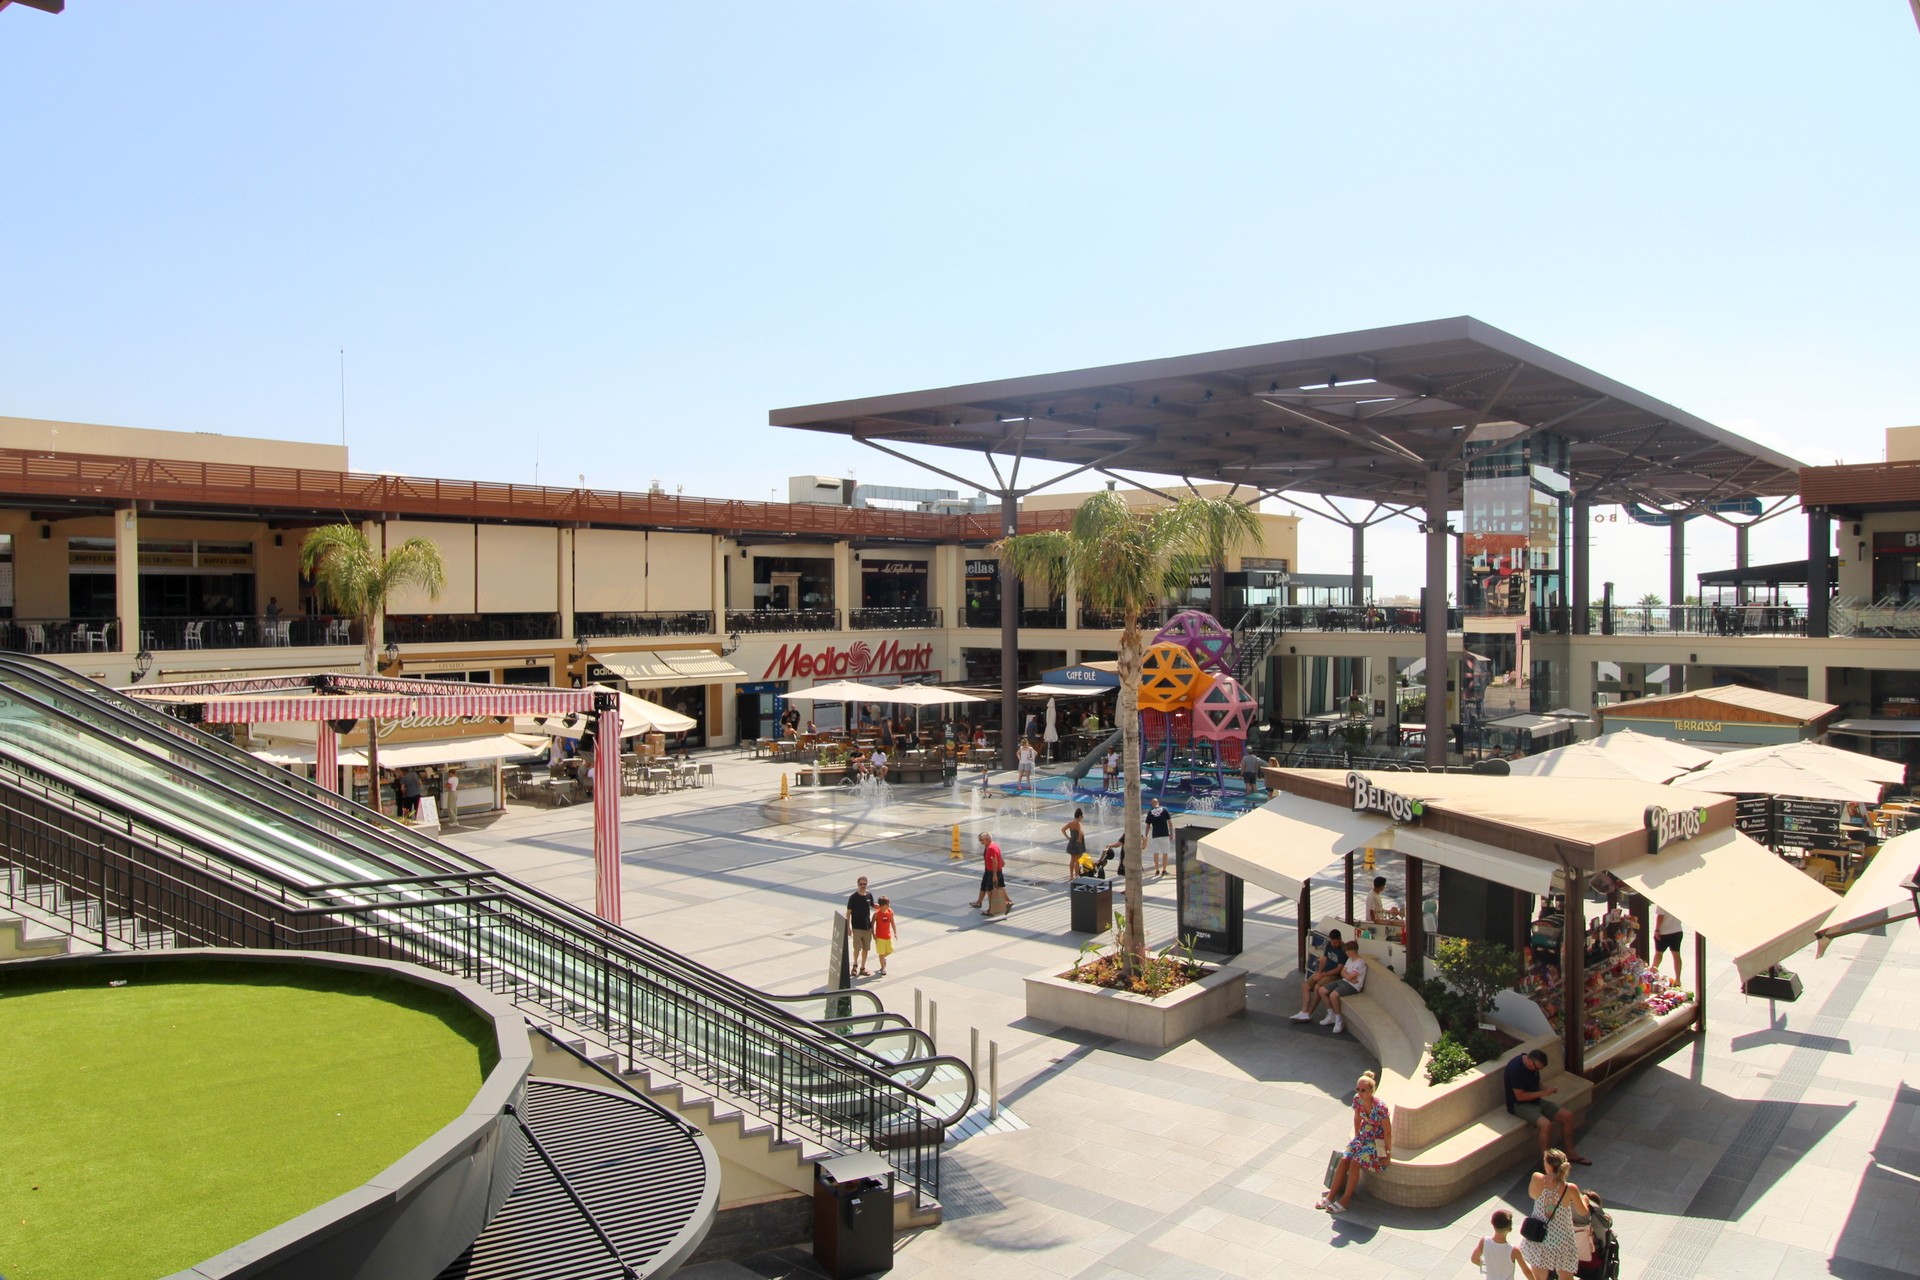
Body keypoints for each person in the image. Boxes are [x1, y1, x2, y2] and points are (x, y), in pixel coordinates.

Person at [1317, 1070, 1391, 1213]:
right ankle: (1331, 1195)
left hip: (1376, 1141)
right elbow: (1357, 1118)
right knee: (1345, 1159)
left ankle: (1345, 1200)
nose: (1360, 1093)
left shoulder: (1380, 1107)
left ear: (1371, 1090)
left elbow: (1387, 1131)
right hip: (1363, 1136)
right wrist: (1357, 1137)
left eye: (1363, 1090)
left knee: (1355, 1162)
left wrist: (1387, 1152)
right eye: (1358, 1089)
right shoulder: (1357, 1100)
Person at [1504, 1049, 1586, 1165]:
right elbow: (1520, 1096)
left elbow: (1536, 1083)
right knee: (1546, 1125)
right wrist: (1544, 1093)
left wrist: (1546, 1089)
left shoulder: (1533, 1066)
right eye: (1536, 1068)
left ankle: (1570, 1152)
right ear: (1529, 1060)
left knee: (1567, 1116)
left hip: (1536, 1100)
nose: (1537, 1070)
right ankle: (1546, 1161)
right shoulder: (1515, 1068)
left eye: (1539, 1069)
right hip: (1519, 1105)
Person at [1522, 1149, 1588, 1279]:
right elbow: (1583, 1212)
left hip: (1539, 1235)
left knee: (1539, 1277)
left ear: (1548, 1165)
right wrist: (1584, 1201)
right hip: (1562, 1238)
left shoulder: (1537, 1178)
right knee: (1566, 1276)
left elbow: (1532, 1195)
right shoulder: (1570, 1188)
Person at [1290, 930, 1348, 1020]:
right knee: (1305, 986)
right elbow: (1324, 959)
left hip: (1333, 974)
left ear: (1340, 939)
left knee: (1317, 987)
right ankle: (1304, 1011)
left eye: (1335, 943)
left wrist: (1323, 975)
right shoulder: (1329, 945)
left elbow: (1338, 969)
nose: (1333, 945)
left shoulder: (1343, 951)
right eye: (1332, 942)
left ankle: (1310, 1013)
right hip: (1323, 972)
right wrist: (1319, 972)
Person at [1303, 953, 1366, 1035]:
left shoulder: (1360, 963)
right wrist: (1348, 977)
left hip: (1354, 986)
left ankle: (1338, 1020)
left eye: (1347, 951)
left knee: (1333, 995)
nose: (1346, 953)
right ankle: (1331, 1015)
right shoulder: (1349, 959)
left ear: (1352, 951)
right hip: (1345, 981)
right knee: (1322, 990)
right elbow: (1343, 973)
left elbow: (1349, 976)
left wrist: (1348, 977)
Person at [1470, 1209, 1533, 1280]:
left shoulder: (1484, 1241)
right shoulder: (1514, 1250)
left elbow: (1474, 1259)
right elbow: (1526, 1271)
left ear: (1492, 1224)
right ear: (1510, 1228)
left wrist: (1489, 1267)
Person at [969, 832, 1010, 912]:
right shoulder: (993, 846)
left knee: (990, 890)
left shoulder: (990, 848)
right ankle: (979, 902)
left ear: (986, 839)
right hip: (990, 870)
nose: (981, 842)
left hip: (992, 871)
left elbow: (995, 862)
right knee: (985, 886)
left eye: (981, 840)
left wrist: (994, 875)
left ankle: (991, 909)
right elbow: (1000, 860)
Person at [846, 876, 876, 977]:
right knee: (857, 948)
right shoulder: (853, 897)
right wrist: (848, 927)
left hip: (867, 927)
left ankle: (862, 967)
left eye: (864, 884)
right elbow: (848, 913)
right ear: (857, 884)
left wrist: (884, 906)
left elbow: (872, 905)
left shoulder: (869, 895)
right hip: (857, 927)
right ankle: (855, 965)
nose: (862, 886)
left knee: (866, 948)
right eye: (861, 884)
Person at [1654, 905, 1684, 983]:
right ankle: (1678, 979)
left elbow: (1660, 916)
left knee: (1658, 954)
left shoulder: (1661, 901)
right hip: (1677, 930)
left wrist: (1657, 929)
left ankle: (1652, 973)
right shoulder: (1677, 900)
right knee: (1676, 955)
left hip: (1664, 932)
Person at [1144, 798, 1174, 876]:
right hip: (1164, 835)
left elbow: (1148, 825)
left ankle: (1157, 869)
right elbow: (1170, 822)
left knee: (1156, 853)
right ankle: (1164, 870)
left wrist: (1146, 836)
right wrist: (1171, 833)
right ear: (1158, 803)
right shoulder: (1165, 809)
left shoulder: (1150, 812)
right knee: (1165, 853)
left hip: (1155, 835)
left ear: (1152, 804)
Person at [872, 896, 898, 977]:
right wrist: (873, 934)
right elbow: (872, 924)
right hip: (880, 937)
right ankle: (883, 967)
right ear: (881, 905)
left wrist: (895, 932)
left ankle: (882, 959)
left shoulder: (889, 912)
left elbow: (892, 922)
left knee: (890, 950)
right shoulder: (876, 914)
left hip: (887, 936)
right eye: (887, 904)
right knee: (881, 952)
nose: (888, 906)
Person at [1062, 807, 1088, 881]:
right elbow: (1080, 832)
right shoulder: (1078, 824)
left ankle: (1071, 876)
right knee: (1077, 861)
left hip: (1071, 843)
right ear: (1079, 816)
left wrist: (1068, 837)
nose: (1082, 818)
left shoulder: (1071, 823)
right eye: (1081, 817)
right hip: (1077, 845)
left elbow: (1063, 829)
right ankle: (1076, 876)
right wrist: (1079, 839)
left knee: (1072, 860)